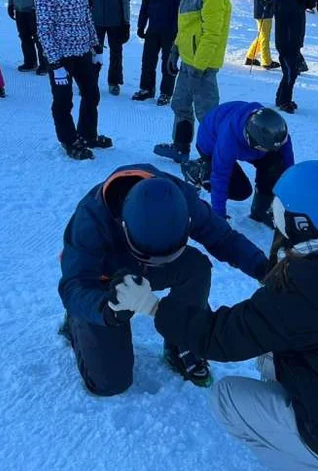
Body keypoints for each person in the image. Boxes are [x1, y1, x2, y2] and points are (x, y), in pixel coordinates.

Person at [108, 161, 318, 471]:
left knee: (226, 398)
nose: (273, 210)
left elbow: (219, 338)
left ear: (300, 223)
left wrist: (152, 307)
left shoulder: (299, 294)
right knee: (271, 356)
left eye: (280, 206)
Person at [58, 164, 269, 394]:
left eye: (167, 256)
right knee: (110, 383)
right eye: (150, 258)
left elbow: (224, 238)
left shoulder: (182, 200)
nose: (157, 263)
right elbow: (74, 284)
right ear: (123, 226)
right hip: (104, 283)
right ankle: (77, 323)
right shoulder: (91, 219)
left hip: (141, 269)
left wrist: (263, 269)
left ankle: (181, 341)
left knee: (195, 267)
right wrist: (105, 309)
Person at [153, 0, 231, 164]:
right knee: (181, 105)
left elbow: (212, 35)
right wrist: (176, 50)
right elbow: (187, 24)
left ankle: (213, 159)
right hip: (189, 59)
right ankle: (180, 147)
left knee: (207, 114)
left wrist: (198, 66)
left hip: (203, 66)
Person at [34, 0, 110, 160]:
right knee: (63, 100)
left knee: (91, 94)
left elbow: (87, 18)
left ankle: (87, 134)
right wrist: (55, 64)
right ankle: (69, 139)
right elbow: (44, 30)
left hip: (82, 52)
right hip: (61, 58)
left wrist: (96, 46)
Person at [180, 102, 293, 226]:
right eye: (268, 148)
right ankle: (198, 170)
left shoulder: (277, 132)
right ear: (253, 144)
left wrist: (291, 203)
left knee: (275, 165)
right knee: (240, 190)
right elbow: (220, 176)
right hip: (210, 142)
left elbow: (288, 169)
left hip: (245, 137)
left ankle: (260, 211)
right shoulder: (228, 141)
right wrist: (219, 217)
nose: (273, 150)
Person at [133, 0, 185, 105]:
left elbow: (182, 8)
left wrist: (179, 30)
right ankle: (146, 89)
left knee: (167, 63)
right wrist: (141, 24)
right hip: (153, 27)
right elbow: (145, 2)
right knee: (147, 60)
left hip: (170, 29)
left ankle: (166, 92)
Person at [85, 0, 131, 96]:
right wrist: (85, 22)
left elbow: (125, 1)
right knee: (93, 52)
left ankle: (114, 82)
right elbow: (86, 1)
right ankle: (90, 81)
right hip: (96, 22)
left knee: (116, 53)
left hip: (116, 23)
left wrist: (126, 23)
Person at [274, 0, 307, 113]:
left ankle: (281, 98)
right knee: (290, 72)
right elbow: (286, 9)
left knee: (292, 72)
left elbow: (309, 3)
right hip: (285, 43)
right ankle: (284, 100)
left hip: (295, 41)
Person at [245, 0, 281, 69]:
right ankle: (266, 62)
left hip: (259, 12)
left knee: (261, 36)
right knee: (265, 38)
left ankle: (250, 57)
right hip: (265, 13)